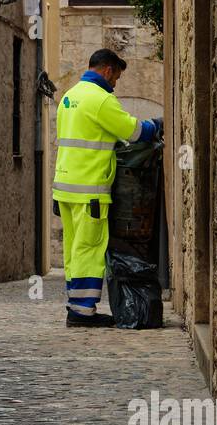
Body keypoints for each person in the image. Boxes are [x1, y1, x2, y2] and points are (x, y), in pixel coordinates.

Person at [54, 48, 161, 327]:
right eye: (116, 78)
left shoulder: (69, 97)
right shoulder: (100, 100)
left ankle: (75, 306)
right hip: (90, 189)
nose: (115, 85)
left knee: (73, 249)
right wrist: (159, 125)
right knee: (89, 249)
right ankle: (82, 313)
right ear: (108, 70)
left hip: (65, 188)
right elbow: (133, 131)